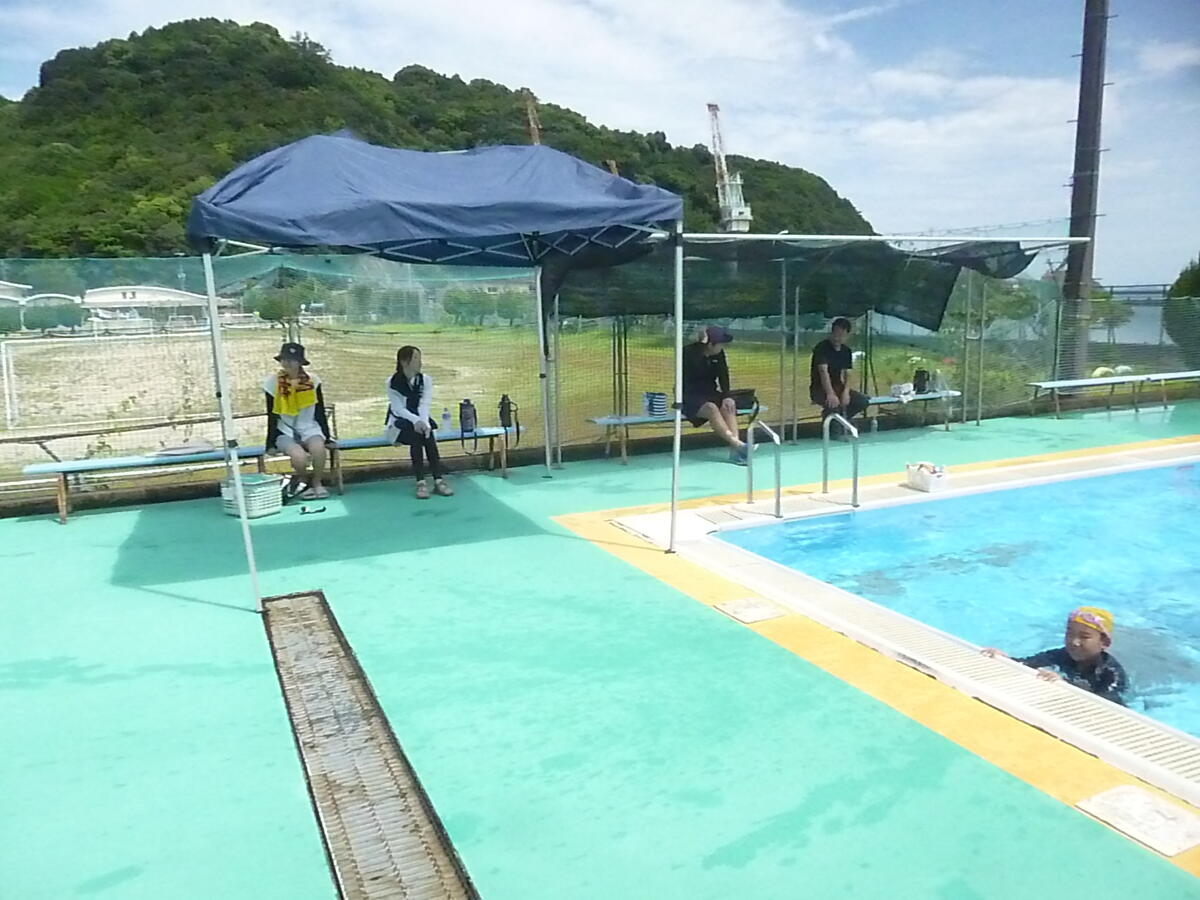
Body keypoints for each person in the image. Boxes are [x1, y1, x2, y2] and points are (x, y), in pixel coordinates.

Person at [982, 606, 1128, 705]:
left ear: (1104, 642)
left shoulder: (1112, 673)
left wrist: (1066, 685)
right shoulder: (1062, 655)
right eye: (1069, 634)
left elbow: (1105, 703)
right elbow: (1029, 663)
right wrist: (1005, 659)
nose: (1074, 642)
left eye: (1084, 637)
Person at [263, 342, 333, 500]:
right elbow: (271, 415)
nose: (287, 363)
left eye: (292, 359)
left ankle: (317, 483)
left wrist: (327, 437)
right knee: (298, 456)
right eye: (284, 359)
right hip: (285, 431)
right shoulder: (272, 383)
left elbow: (319, 411)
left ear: (300, 362)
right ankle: (304, 482)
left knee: (319, 449)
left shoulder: (313, 381)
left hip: (310, 428)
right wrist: (270, 444)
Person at [385, 345, 453, 500]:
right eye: (415, 358)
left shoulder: (426, 380)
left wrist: (424, 423)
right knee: (416, 435)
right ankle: (421, 482)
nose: (420, 362)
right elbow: (398, 409)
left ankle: (438, 481)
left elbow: (424, 404)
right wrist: (416, 422)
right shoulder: (392, 382)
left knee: (428, 435)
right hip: (399, 424)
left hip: (421, 419)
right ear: (404, 362)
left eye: (419, 358)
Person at [681, 325, 747, 464]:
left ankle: (736, 451)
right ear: (710, 344)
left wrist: (727, 396)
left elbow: (723, 375)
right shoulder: (688, 353)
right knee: (711, 408)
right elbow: (689, 374)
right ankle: (738, 444)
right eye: (720, 344)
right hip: (689, 396)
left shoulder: (719, 354)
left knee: (728, 406)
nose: (723, 347)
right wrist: (702, 347)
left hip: (710, 393)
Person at [810, 317, 869, 426]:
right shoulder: (821, 348)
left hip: (838, 387)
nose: (837, 338)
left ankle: (840, 421)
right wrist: (830, 394)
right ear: (831, 333)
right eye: (835, 334)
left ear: (847, 336)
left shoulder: (846, 351)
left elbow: (848, 374)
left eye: (841, 335)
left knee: (862, 401)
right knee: (833, 405)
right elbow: (823, 372)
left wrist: (846, 392)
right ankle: (833, 425)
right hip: (819, 389)